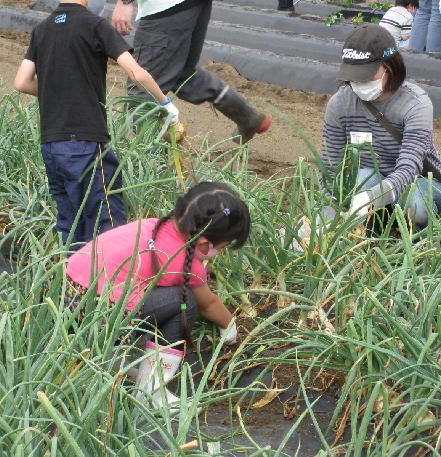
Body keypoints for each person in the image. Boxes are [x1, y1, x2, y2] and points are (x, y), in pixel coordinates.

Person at [65, 182, 251, 410]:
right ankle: (151, 390)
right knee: (184, 301)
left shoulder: (153, 226)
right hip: (94, 314)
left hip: (65, 296)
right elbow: (208, 305)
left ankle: (108, 360)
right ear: (204, 244)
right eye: (222, 247)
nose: (220, 253)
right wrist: (230, 327)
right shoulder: (184, 261)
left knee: (144, 295)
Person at [14, 0, 179, 252]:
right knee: (108, 221)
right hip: (86, 143)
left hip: (52, 145)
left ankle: (74, 284)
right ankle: (111, 288)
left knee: (70, 223)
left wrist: (58, 93)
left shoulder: (42, 29)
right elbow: (137, 73)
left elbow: (22, 82)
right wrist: (166, 104)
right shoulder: (95, 25)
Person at [321, 24, 441, 229]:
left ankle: (424, 242)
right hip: (370, 183)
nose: (358, 81)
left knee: (415, 204)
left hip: (419, 184)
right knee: (362, 177)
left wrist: (373, 196)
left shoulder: (415, 104)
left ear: (389, 65)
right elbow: (330, 165)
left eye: (365, 74)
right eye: (352, 74)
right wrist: (329, 210)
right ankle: (374, 235)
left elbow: (409, 168)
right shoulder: (340, 104)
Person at [110, 0, 271, 144]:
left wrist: (124, 2)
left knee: (142, 90)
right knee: (184, 72)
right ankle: (247, 116)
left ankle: (151, 166)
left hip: (165, 7)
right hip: (193, 5)